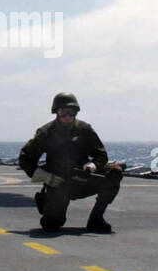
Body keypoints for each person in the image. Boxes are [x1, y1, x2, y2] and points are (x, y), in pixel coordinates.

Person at [18, 92, 123, 233]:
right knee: (51, 225)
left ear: (76, 112)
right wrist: (47, 178)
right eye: (63, 112)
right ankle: (48, 206)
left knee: (114, 171)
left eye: (71, 112)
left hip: (83, 179)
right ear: (56, 112)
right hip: (59, 183)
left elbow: (101, 154)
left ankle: (96, 219)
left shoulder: (85, 130)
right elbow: (25, 159)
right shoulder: (46, 133)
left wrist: (92, 165)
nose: (68, 116)